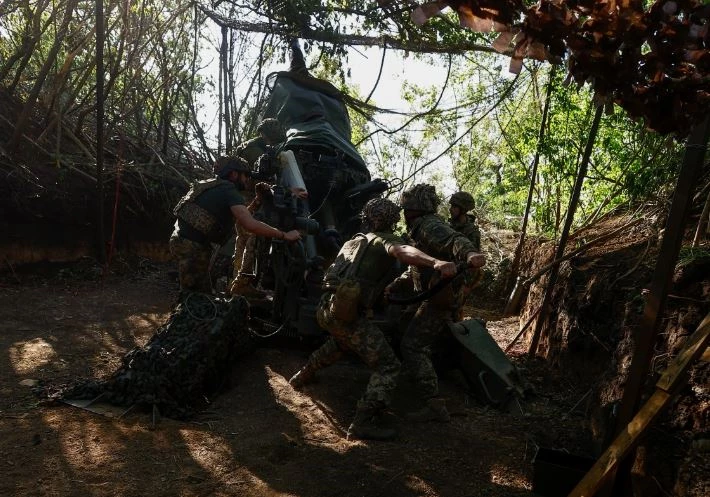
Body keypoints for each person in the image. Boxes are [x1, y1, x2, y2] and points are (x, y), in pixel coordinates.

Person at [288, 197, 456, 441]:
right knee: (388, 366)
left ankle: (303, 375)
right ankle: (363, 422)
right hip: (346, 315)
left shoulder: (354, 240)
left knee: (343, 342)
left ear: (367, 218)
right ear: (392, 219)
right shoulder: (384, 239)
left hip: (326, 309)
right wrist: (436, 261)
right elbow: (402, 251)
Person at [388, 184, 485, 423]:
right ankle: (423, 375)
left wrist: (470, 254)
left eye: (406, 208)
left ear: (415, 209)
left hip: (440, 296)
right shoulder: (420, 226)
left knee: (413, 345)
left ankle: (433, 403)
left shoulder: (429, 225)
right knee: (408, 327)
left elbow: (456, 240)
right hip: (430, 294)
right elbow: (416, 265)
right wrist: (396, 285)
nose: (404, 212)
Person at [170, 156, 301, 294]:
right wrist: (284, 235)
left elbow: (242, 218)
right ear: (233, 174)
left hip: (184, 242)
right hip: (191, 247)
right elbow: (250, 224)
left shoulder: (215, 185)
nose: (247, 180)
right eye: (245, 175)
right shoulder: (229, 190)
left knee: (201, 294)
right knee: (194, 299)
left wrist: (257, 201)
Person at [449, 191, 483, 317]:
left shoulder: (471, 232)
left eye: (454, 207)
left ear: (463, 209)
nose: (450, 209)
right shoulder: (449, 226)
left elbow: (474, 260)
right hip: (447, 275)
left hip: (461, 278)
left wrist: (467, 285)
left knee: (454, 313)